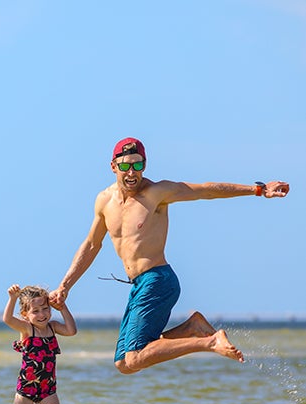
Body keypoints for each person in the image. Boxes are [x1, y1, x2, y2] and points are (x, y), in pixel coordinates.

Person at [51, 137, 290, 375]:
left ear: (145, 165)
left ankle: (210, 341)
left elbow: (206, 190)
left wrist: (258, 189)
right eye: (125, 165)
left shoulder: (157, 193)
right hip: (139, 285)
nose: (131, 172)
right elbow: (92, 244)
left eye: (137, 164)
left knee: (134, 357)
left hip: (158, 280)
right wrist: (65, 286)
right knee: (124, 362)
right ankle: (192, 327)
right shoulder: (104, 201)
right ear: (113, 166)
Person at [3, 284, 77, 404]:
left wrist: (63, 307)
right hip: (26, 390)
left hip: (48, 390)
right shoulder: (27, 329)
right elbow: (7, 319)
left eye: (45, 308)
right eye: (36, 311)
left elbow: (71, 330)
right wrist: (12, 298)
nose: (42, 314)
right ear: (26, 314)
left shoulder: (52, 327)